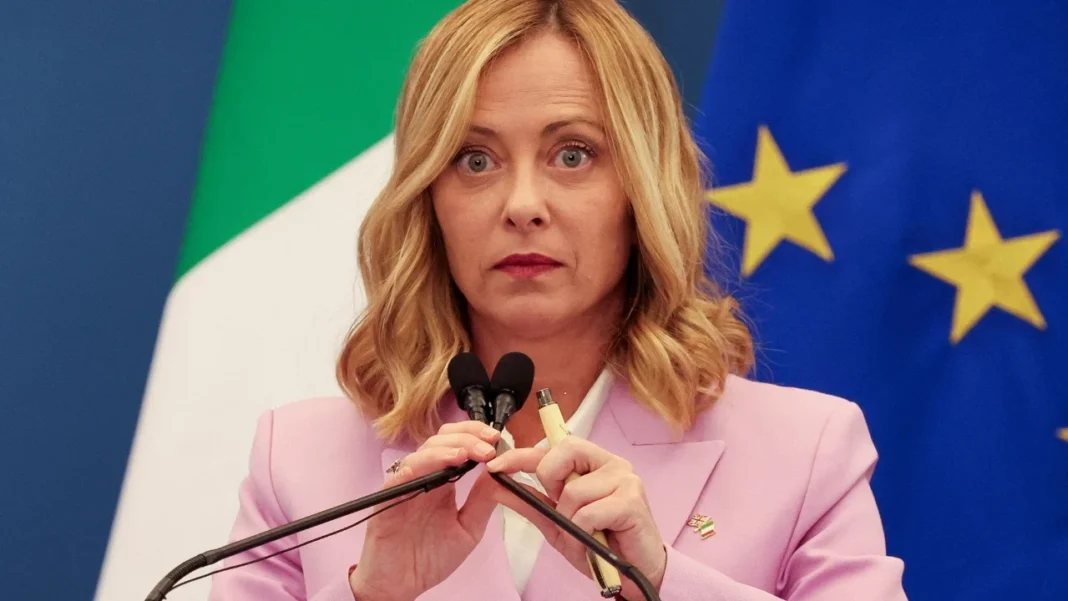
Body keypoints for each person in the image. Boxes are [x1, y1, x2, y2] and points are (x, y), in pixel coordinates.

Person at [208, 0, 908, 599]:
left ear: (642, 187)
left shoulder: (807, 453)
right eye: (474, 159)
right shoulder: (298, 461)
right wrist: (371, 594)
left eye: (573, 154)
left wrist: (660, 582)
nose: (522, 205)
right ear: (427, 199)